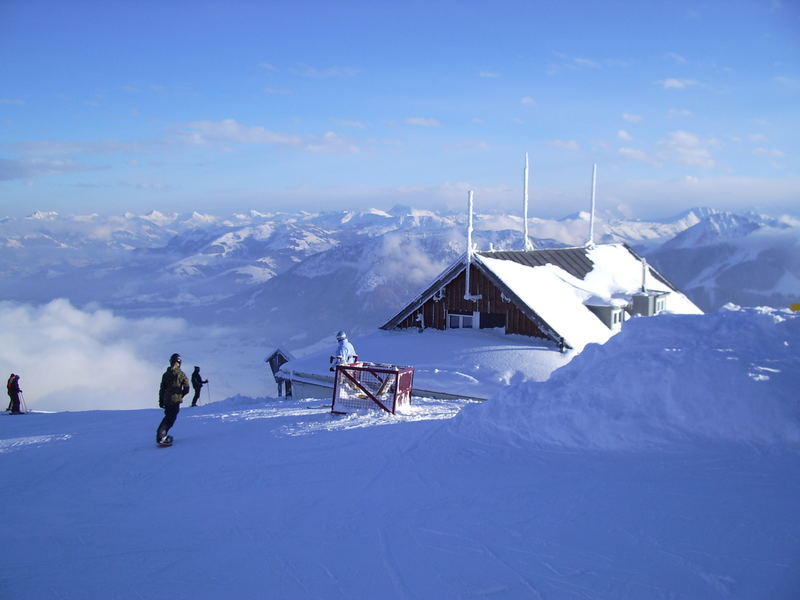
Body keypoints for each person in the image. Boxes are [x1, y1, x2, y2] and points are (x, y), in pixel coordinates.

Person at [156, 353, 189, 445]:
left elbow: (162, 389)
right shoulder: (181, 374)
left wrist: (161, 400)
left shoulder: (166, 374)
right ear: (179, 362)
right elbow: (187, 388)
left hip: (167, 400)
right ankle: (161, 436)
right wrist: (181, 395)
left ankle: (163, 435)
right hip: (175, 400)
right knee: (170, 419)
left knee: (168, 417)